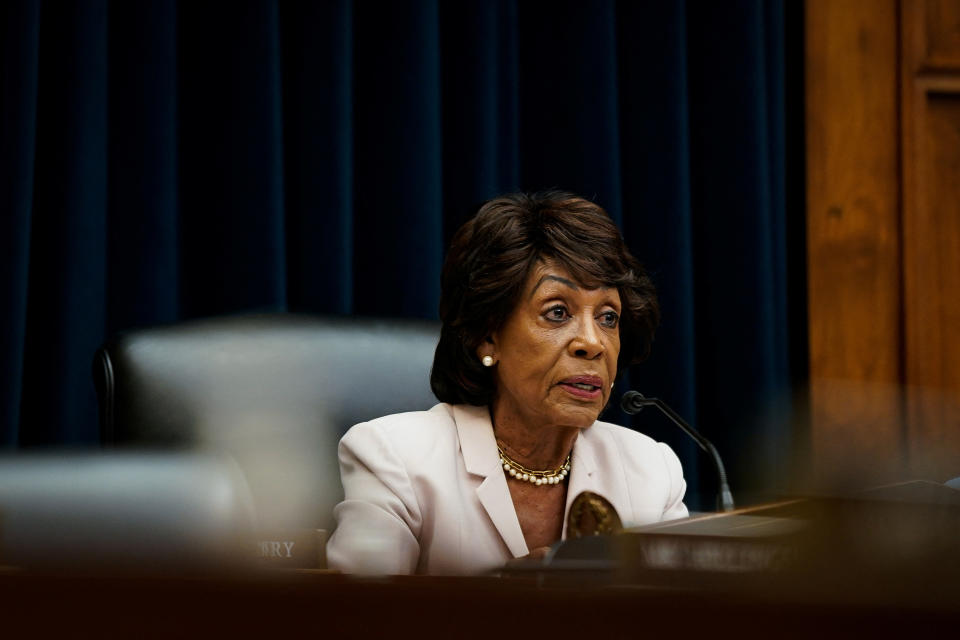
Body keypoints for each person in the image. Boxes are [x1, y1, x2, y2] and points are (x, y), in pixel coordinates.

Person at [327, 191, 688, 575]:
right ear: (488, 336)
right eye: (558, 312)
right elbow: (359, 616)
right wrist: (500, 599)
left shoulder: (651, 470)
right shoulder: (395, 458)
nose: (593, 343)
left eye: (608, 318)